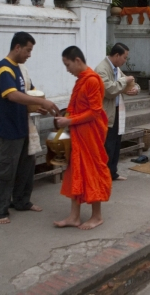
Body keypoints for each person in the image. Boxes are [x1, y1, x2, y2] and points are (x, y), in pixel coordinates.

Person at [0, 32, 60, 224]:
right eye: (28, 50)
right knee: (5, 171)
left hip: (24, 127)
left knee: (25, 169)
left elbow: (27, 94)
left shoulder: (20, 70)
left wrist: (38, 106)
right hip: (8, 129)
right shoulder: (4, 69)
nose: (29, 54)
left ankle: (21, 201)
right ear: (17, 47)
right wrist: (42, 101)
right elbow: (12, 95)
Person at [53, 46, 112, 230]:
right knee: (75, 172)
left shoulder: (92, 80)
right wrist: (65, 117)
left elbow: (94, 112)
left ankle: (97, 216)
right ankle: (74, 216)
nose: (67, 69)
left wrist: (69, 121)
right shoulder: (81, 80)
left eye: (67, 64)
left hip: (90, 135)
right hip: (78, 133)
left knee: (92, 171)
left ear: (77, 60)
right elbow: (79, 107)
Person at [95, 43, 140, 181]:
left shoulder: (117, 69)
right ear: (116, 55)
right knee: (107, 145)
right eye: (124, 58)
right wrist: (124, 82)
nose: (125, 61)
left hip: (116, 110)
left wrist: (135, 89)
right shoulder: (101, 69)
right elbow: (109, 90)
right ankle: (103, 175)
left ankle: (112, 172)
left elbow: (128, 83)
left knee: (115, 143)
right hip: (106, 112)